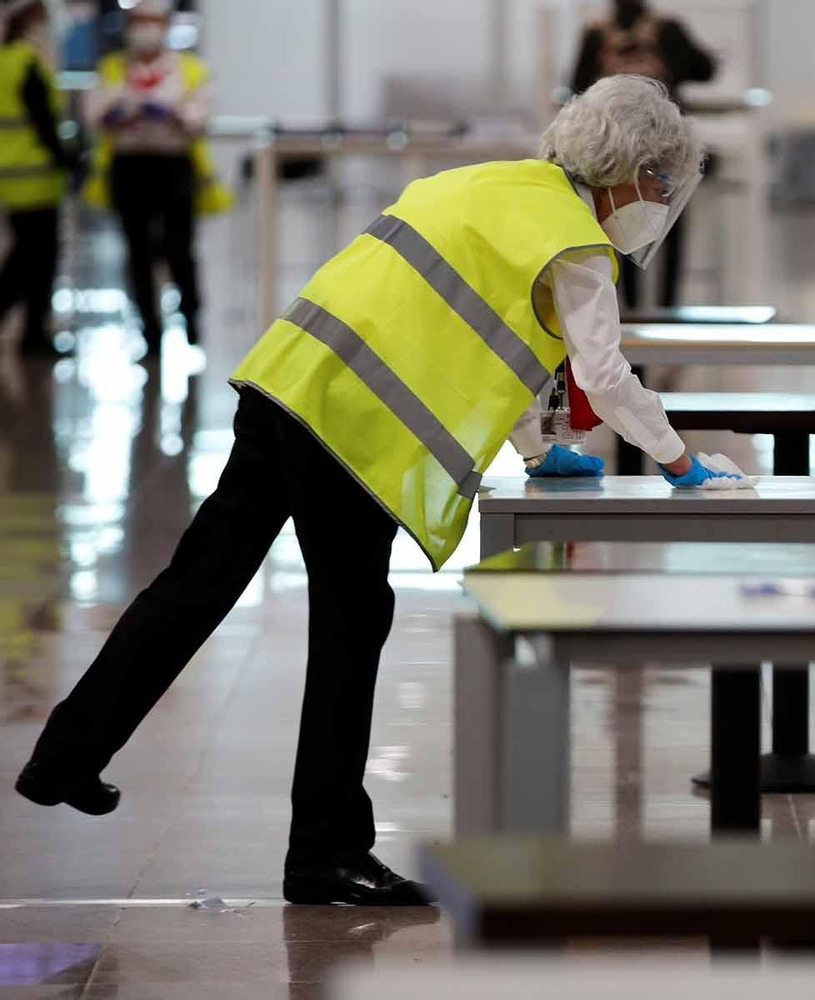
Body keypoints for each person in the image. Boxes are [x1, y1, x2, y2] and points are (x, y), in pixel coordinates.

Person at [14, 74, 742, 905]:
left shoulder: (481, 184)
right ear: (625, 165)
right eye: (655, 181)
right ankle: (324, 853)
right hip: (352, 432)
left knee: (196, 582)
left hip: (287, 385)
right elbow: (603, 373)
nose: (654, 200)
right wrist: (682, 461)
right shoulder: (572, 240)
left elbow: (478, 330)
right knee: (352, 625)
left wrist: (537, 450)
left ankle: (65, 756)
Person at [82, 0, 231, 358]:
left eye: (152, 22)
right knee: (138, 254)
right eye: (138, 22)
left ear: (165, 26)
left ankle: (191, 322)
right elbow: (94, 114)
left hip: (174, 168)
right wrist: (120, 113)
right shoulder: (113, 68)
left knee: (180, 249)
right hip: (130, 169)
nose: (145, 30)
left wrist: (172, 113)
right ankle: (150, 332)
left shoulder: (190, 69)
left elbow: (200, 116)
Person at [571, 0, 715, 309]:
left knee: (619, 229)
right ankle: (667, 312)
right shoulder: (666, 30)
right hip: (665, 148)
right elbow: (705, 69)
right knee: (671, 228)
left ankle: (629, 316)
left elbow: (577, 85)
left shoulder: (598, 33)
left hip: (614, 150)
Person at [0, 0, 70, 359]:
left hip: (11, 173)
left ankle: (32, 331)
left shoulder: (6, 60)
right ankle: (33, 333)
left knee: (26, 255)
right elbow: (43, 122)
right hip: (36, 175)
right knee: (35, 259)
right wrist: (68, 160)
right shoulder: (28, 62)